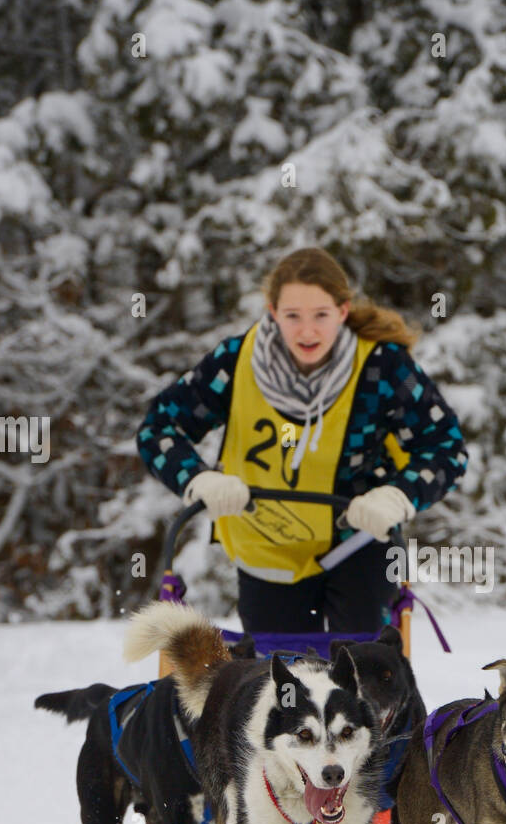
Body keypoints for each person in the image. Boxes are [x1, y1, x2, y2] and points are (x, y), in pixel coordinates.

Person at [137, 248, 468, 633]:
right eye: (293, 316)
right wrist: (197, 477)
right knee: (280, 680)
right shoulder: (234, 361)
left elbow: (445, 446)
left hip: (358, 539)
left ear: (343, 312)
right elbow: (158, 428)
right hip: (268, 546)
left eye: (321, 316)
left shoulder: (383, 367)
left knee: (362, 675)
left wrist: (399, 495)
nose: (307, 331)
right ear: (273, 312)